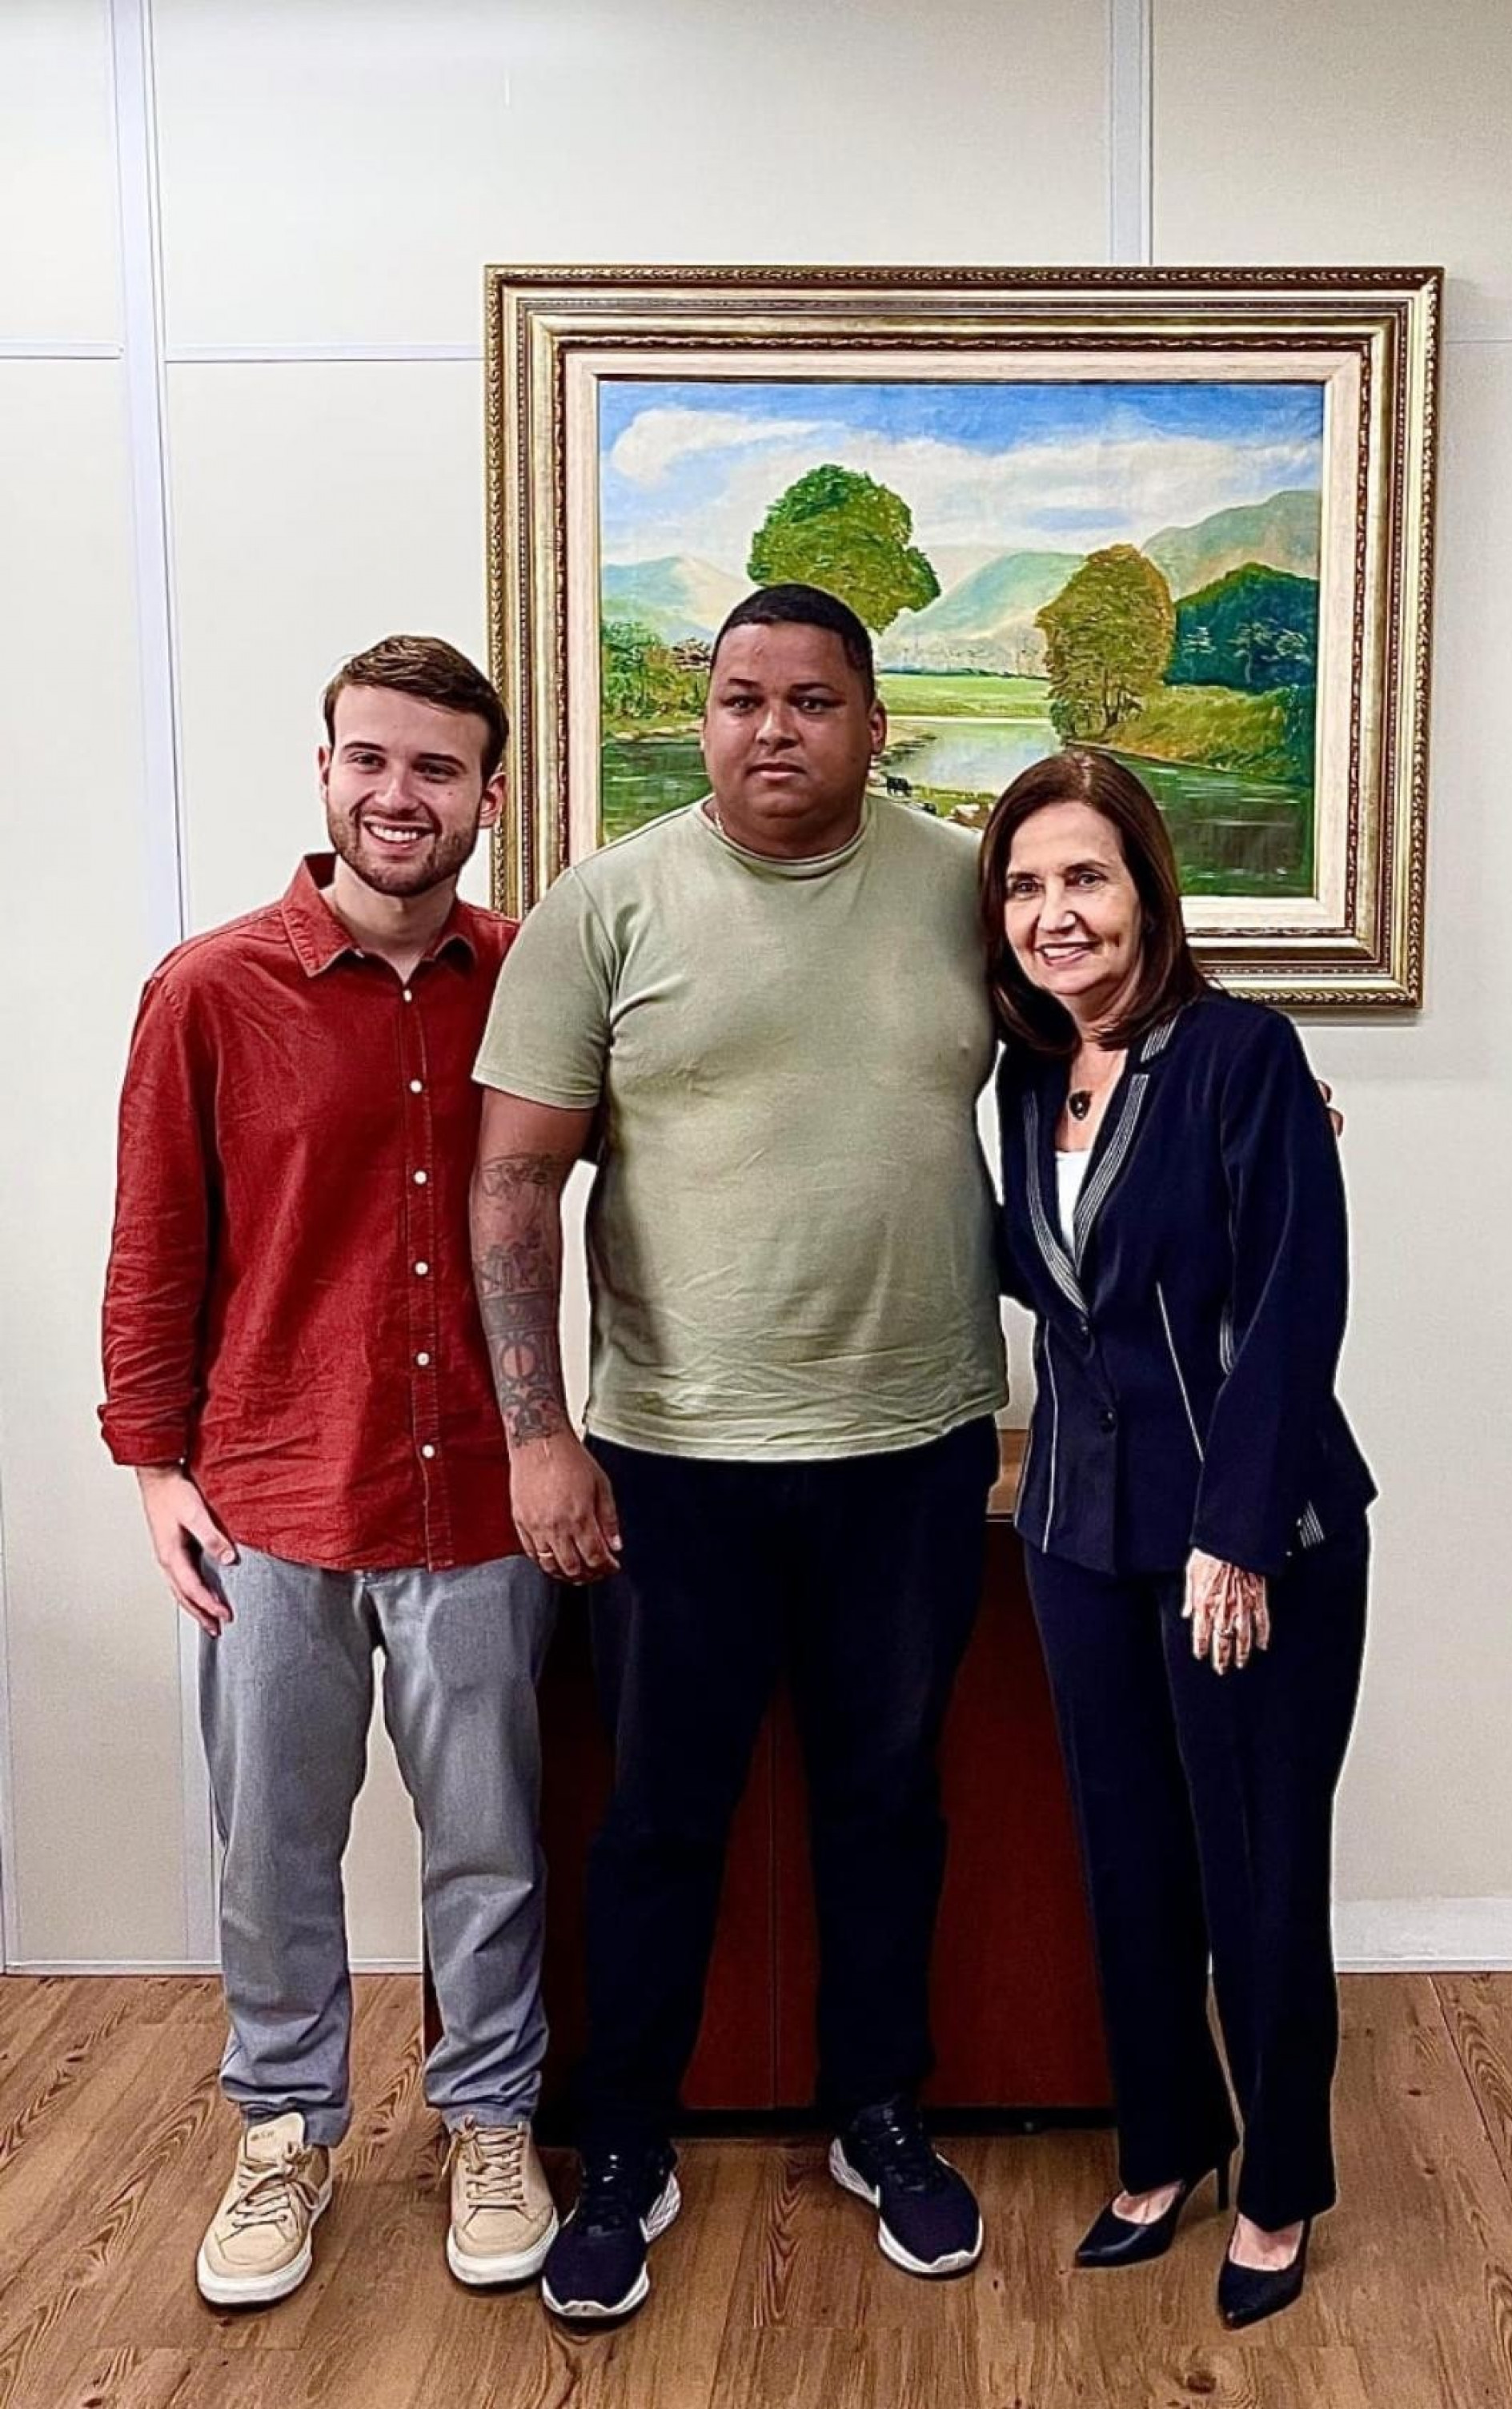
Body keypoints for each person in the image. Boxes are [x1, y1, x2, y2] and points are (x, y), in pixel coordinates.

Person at [471, 584, 1005, 2322]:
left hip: (915, 1444)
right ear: (703, 717)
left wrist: (1259, 1103)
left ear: (876, 723)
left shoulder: (962, 883)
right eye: (740, 698)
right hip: (673, 1458)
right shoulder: (606, 902)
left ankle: (881, 2110)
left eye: (813, 700)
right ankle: (626, 2141)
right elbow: (509, 1183)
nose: (773, 728)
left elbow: (1118, 1018)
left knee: (887, 1801)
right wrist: (539, 1437)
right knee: (659, 1818)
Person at [100, 636, 559, 2307]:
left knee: (489, 1841)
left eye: (436, 768)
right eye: (371, 759)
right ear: (325, 772)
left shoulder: (534, 979)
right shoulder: (210, 989)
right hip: (271, 1500)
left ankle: (490, 2119)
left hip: (477, 1502)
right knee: (273, 1845)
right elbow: (155, 1241)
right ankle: (285, 2128)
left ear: (489, 795)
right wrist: (153, 1464)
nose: (399, 795)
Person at [982, 747, 1376, 2330]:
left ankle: (1279, 2179)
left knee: (1259, 1871)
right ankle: (1166, 2141)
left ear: (1147, 887)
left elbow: (1295, 1297)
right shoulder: (1024, 1078)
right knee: (1128, 1856)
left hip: (1251, 1534)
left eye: (1085, 876)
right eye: (1024, 885)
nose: (1055, 912)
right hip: (1077, 1531)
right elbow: (1052, 1288)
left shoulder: (1243, 1055)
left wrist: (1238, 1535)